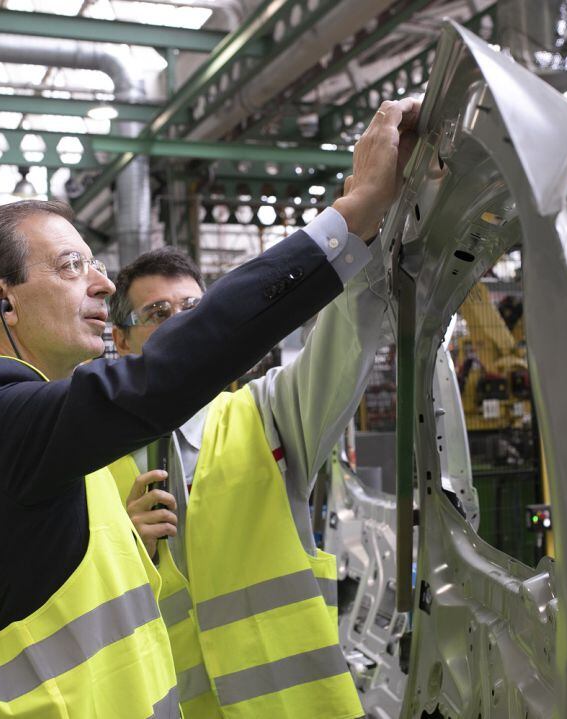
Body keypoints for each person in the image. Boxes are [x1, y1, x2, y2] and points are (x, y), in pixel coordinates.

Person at [0, 97, 418, 718]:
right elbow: (159, 380)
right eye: (72, 267)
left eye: (95, 264)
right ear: (0, 301)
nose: (99, 282)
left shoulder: (66, 448)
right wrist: (350, 215)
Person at [109, 234, 388, 718]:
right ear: (120, 341)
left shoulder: (269, 416)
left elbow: (346, 339)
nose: (181, 325)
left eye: (194, 308)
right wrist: (123, 549)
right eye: (157, 313)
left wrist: (361, 234)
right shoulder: (99, 465)